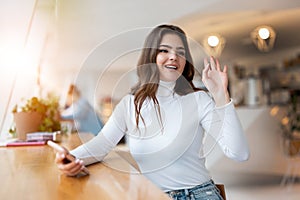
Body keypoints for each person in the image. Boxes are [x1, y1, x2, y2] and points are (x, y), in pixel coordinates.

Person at [55, 24, 250, 200]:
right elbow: (102, 144)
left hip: (200, 194)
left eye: (180, 52)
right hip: (153, 195)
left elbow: (239, 153)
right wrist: (70, 157)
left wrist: (221, 95)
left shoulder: (198, 99)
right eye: (164, 50)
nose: (174, 56)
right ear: (151, 57)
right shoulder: (130, 104)